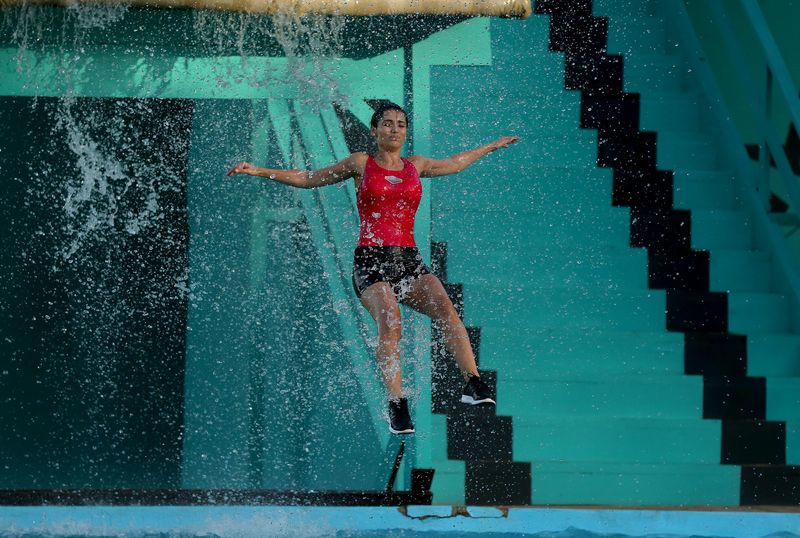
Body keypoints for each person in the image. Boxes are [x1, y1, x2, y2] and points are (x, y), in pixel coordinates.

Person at [228, 102, 518, 435]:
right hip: (371, 262)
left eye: (401, 124)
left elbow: (456, 162)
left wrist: (490, 146)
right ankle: (397, 404)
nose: (394, 129)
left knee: (446, 309)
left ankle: (473, 383)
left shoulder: (417, 165)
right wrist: (259, 170)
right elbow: (309, 178)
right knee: (391, 321)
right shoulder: (360, 163)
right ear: (374, 130)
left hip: (408, 260)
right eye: (387, 124)